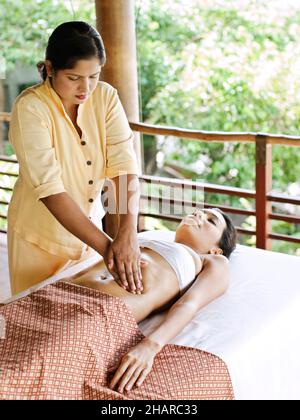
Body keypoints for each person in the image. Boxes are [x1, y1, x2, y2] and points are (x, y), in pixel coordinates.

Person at [7, 21, 143, 296]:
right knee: (36, 327)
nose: (86, 87)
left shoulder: (105, 97)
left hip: (89, 238)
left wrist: (127, 234)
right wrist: (109, 248)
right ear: (49, 68)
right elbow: (50, 189)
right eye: (74, 77)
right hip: (39, 242)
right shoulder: (30, 108)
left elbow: (122, 166)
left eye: (94, 76)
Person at [66, 207, 237, 394]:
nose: (199, 215)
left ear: (216, 250)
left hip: (98, 313)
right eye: (200, 212)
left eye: (211, 221)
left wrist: (150, 347)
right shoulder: (144, 238)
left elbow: (189, 304)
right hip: (61, 292)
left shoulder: (212, 261)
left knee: (35, 364)